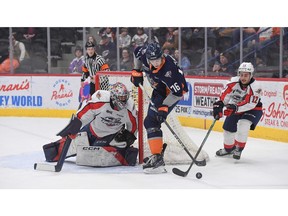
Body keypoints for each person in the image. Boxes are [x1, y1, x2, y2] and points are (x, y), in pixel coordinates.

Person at [42, 82, 138, 167]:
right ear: (113, 96)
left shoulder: (129, 108)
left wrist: (129, 138)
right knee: (56, 151)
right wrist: (74, 127)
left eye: (125, 97)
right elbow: (83, 114)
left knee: (92, 156)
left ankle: (122, 154)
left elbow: (133, 125)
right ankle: (53, 152)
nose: (123, 100)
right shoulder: (101, 101)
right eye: (121, 97)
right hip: (91, 130)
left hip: (111, 136)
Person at [130, 42, 188, 174]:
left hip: (171, 93)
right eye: (152, 60)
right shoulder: (145, 54)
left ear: (162, 56)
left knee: (154, 120)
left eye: (157, 59)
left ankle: (157, 159)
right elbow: (136, 53)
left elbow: (178, 93)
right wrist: (137, 71)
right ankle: (157, 156)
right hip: (159, 89)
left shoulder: (169, 71)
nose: (155, 63)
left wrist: (164, 107)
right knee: (149, 122)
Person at [213, 62, 263, 160]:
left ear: (251, 75)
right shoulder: (233, 82)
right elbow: (225, 95)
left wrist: (235, 107)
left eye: (246, 75)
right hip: (235, 107)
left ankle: (238, 149)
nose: (243, 77)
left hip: (253, 109)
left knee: (243, 125)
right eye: (241, 75)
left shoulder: (256, 86)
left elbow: (250, 103)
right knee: (228, 129)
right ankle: (228, 149)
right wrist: (219, 104)